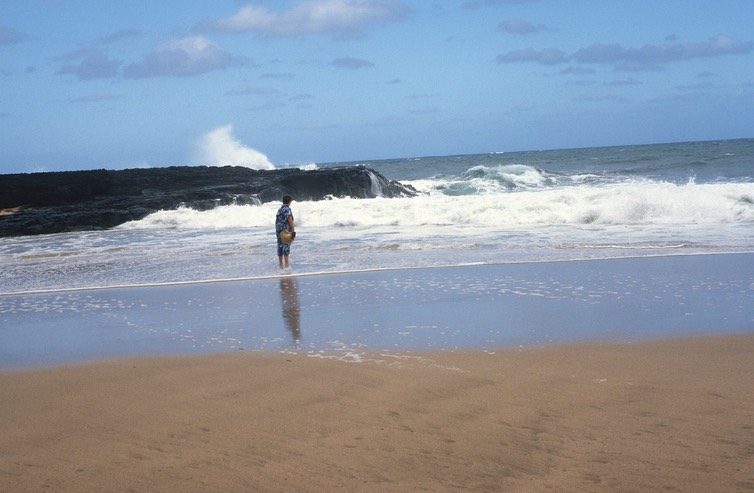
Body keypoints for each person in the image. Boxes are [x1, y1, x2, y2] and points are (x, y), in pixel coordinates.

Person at [275, 195, 296, 269]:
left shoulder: (279, 210)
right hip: (285, 231)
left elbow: (277, 220)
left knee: (280, 247)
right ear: (290, 201)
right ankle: (287, 266)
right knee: (286, 247)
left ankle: (281, 265)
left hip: (279, 231)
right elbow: (289, 220)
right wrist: (293, 230)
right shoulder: (287, 209)